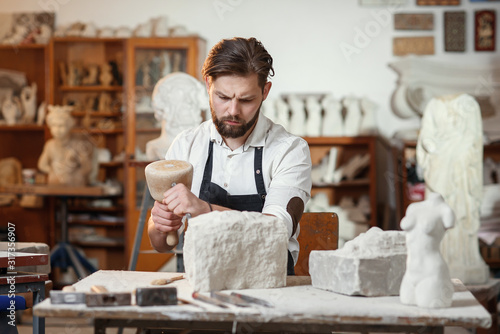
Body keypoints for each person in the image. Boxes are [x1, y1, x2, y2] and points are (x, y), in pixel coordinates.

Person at [148, 37, 312, 275]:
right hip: (199, 287)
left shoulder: (289, 150)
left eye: (246, 100)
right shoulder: (186, 145)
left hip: (268, 288)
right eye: (223, 97)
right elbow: (161, 245)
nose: (233, 111)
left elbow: (276, 231)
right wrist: (160, 226)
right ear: (208, 85)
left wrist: (204, 210)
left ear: (265, 92)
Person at [38, 105, 94, 186]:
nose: (57, 130)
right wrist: (53, 171)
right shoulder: (49, 145)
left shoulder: (77, 144)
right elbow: (42, 165)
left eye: (61, 126)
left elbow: (87, 166)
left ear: (69, 126)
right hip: (55, 184)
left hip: (74, 184)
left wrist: (77, 174)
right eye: (54, 126)